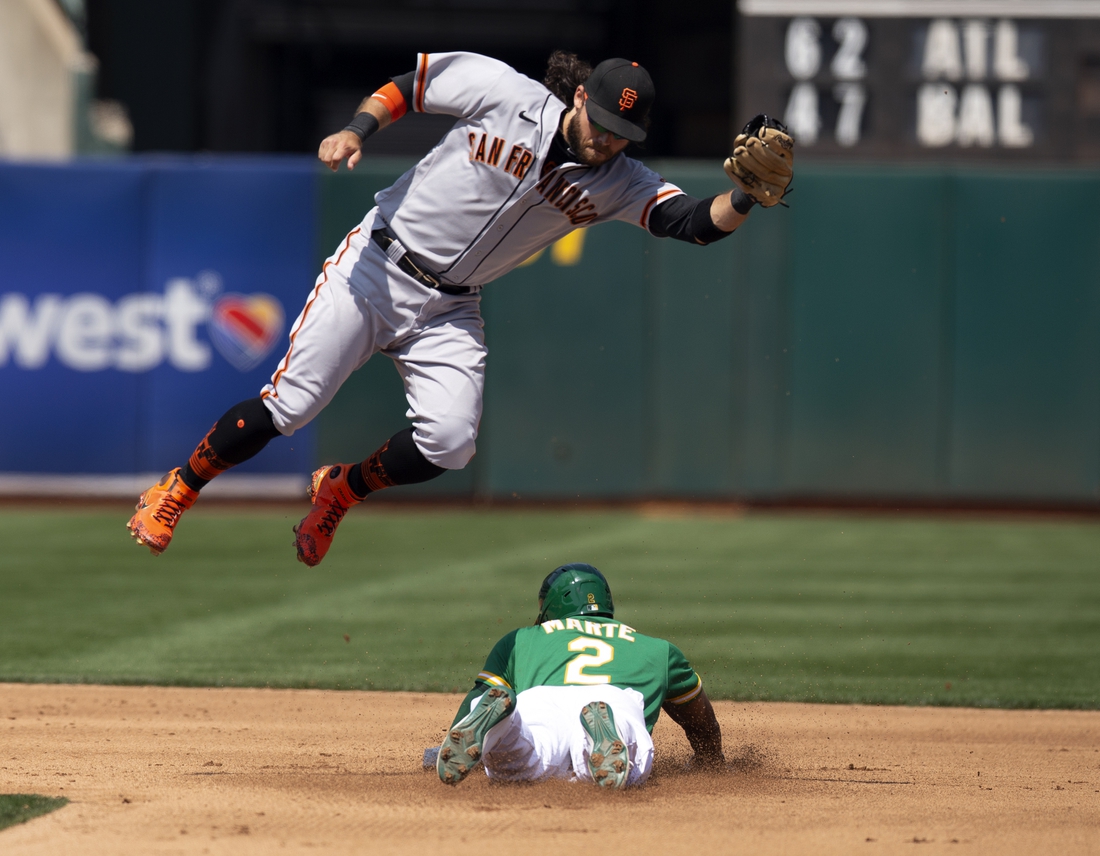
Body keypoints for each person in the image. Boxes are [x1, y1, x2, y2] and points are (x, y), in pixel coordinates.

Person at [126, 50, 794, 565]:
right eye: (603, 124)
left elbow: (692, 223)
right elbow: (413, 83)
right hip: (377, 267)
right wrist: (359, 128)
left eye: (624, 134)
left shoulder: (619, 181)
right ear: (580, 96)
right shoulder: (505, 93)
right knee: (291, 407)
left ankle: (343, 491)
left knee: (450, 444)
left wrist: (744, 200)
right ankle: (178, 487)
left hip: (449, 307)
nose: (608, 141)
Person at [435, 563, 724, 789]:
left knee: (518, 759)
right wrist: (710, 760)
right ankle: (610, 732)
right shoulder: (659, 650)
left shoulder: (520, 640)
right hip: (613, 700)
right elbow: (700, 720)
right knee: (627, 749)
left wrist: (448, 740)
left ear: (552, 606)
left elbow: (478, 695)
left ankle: (504, 727)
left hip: (540, 702)